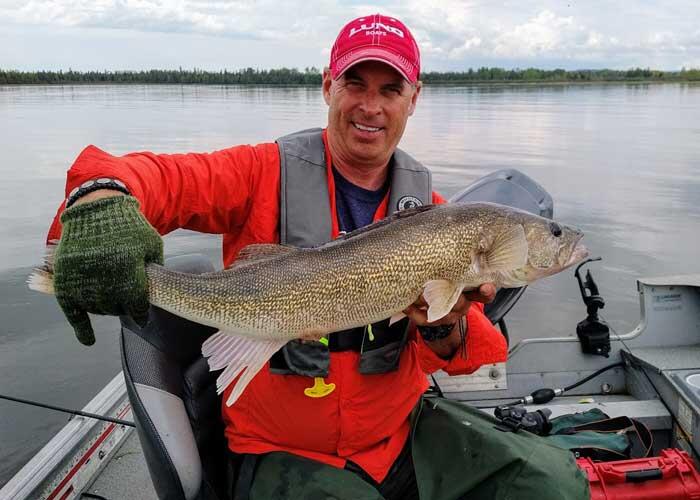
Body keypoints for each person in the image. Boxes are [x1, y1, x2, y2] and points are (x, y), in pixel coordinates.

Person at [46, 14, 589, 500]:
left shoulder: (437, 218)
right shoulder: (259, 172)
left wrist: (442, 326)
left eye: (389, 88)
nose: (370, 105)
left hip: (397, 438)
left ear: (413, 98)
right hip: (281, 449)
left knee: (554, 482)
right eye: (355, 82)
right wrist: (100, 200)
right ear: (328, 86)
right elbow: (151, 176)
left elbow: (466, 353)